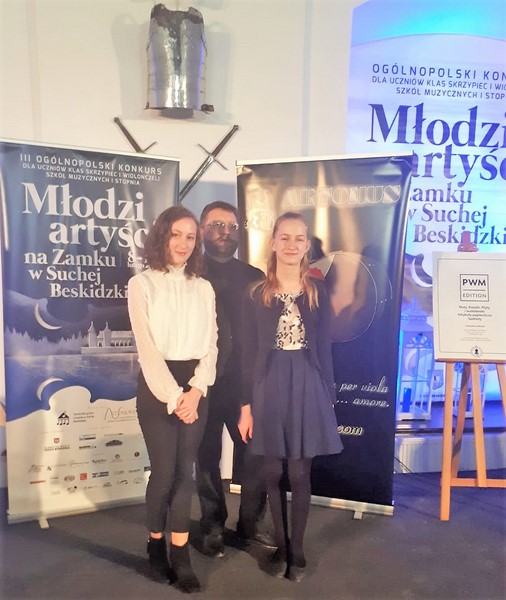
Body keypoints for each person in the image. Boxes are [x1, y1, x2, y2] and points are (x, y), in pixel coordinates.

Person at [238, 211, 343, 582]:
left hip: (307, 380)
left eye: (299, 238)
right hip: (268, 382)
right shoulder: (256, 294)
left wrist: (328, 393)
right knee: (271, 470)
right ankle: (280, 546)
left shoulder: (317, 292)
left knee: (299, 471)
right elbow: (247, 353)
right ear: (273, 243)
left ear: (307, 245)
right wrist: (245, 406)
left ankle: (296, 550)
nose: (291, 245)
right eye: (284, 237)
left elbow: (325, 346)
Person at [127, 205, 218, 593]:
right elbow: (147, 350)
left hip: (196, 388)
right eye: (176, 234)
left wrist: (196, 390)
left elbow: (212, 344)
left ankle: (180, 555)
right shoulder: (142, 284)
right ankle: (155, 544)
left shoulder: (204, 287)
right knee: (163, 473)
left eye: (191, 237)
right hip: (157, 386)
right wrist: (175, 395)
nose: (183, 243)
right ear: (162, 236)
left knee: (185, 473)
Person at [196, 201, 276, 557]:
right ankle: (212, 524)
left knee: (254, 454)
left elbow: (263, 334)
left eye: (231, 226)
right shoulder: (188, 274)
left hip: (245, 382)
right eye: (217, 224)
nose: (225, 232)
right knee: (206, 456)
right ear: (202, 229)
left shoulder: (254, 276)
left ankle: (250, 525)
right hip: (201, 382)